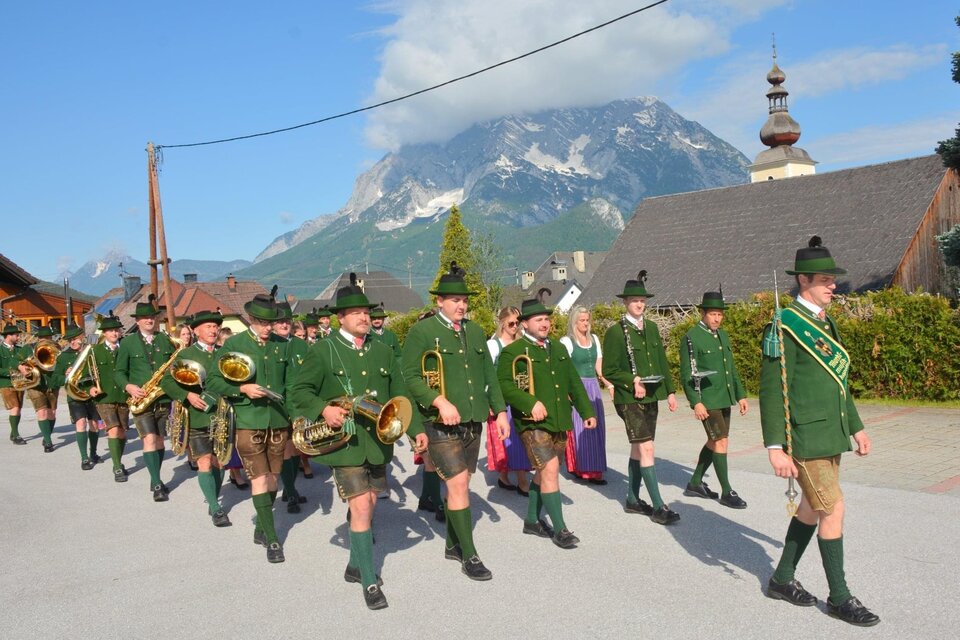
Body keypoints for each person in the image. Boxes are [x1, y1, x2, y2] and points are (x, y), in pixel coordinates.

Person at [760, 236, 879, 627]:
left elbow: (838, 382)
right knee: (832, 507)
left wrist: (856, 426)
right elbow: (772, 390)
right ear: (803, 281)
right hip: (805, 438)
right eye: (825, 280)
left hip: (832, 432)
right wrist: (775, 447)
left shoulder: (825, 322)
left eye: (833, 280)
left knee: (811, 508)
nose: (833, 286)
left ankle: (780, 579)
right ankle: (840, 597)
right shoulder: (785, 324)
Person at [291, 274, 428, 610]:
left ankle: (355, 563)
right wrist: (323, 409)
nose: (364, 317)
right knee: (362, 507)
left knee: (371, 499)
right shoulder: (323, 350)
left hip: (379, 442)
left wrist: (415, 429)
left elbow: (400, 394)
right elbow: (298, 392)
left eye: (366, 313)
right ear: (341, 318)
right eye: (356, 313)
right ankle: (369, 581)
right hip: (345, 445)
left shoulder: (382, 350)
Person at [402, 262, 510, 581]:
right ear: (439, 301)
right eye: (454, 300)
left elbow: (489, 374)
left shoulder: (475, 331)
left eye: (464, 300)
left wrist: (500, 411)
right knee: (459, 483)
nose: (461, 305)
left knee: (460, 484)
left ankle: (451, 543)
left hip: (473, 420)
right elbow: (408, 376)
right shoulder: (422, 331)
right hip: (438, 422)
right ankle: (470, 555)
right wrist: (438, 400)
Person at [497, 291, 595, 548]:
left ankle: (531, 520)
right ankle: (560, 529)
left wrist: (587, 412)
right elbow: (504, 386)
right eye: (538, 320)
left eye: (546, 319)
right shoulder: (513, 351)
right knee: (551, 470)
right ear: (525, 324)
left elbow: (573, 382)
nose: (544, 324)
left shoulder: (559, 347)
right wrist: (530, 402)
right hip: (531, 423)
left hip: (559, 419)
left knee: (545, 472)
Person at [206, 289, 292, 563]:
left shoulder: (283, 344)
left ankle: (261, 526)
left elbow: (293, 383)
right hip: (247, 420)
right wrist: (243, 388)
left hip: (278, 420)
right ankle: (273, 540)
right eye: (263, 323)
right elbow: (214, 383)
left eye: (271, 323)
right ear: (251, 319)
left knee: (273, 479)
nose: (268, 328)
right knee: (258, 478)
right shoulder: (235, 345)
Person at [602, 271, 680, 525]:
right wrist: (632, 380)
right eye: (634, 300)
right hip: (628, 398)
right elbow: (609, 370)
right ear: (625, 302)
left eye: (642, 300)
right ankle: (658, 506)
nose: (639, 304)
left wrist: (669, 390)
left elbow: (661, 362)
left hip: (651, 396)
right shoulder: (616, 332)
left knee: (639, 448)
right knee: (647, 447)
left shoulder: (652, 328)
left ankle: (632, 499)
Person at [160, 310, 232, 527]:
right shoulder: (185, 354)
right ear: (196, 330)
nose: (213, 330)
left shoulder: (225, 352)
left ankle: (213, 499)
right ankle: (216, 508)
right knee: (204, 461)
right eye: (208, 326)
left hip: (222, 415)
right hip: (198, 417)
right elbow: (167, 382)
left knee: (220, 461)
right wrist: (187, 395)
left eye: (215, 326)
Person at [679, 291, 749, 508]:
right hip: (708, 399)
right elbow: (687, 373)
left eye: (720, 314)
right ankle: (727, 491)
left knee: (714, 440)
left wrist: (741, 394)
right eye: (713, 314)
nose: (717, 318)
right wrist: (696, 401)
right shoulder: (691, 337)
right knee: (721, 441)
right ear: (703, 313)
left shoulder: (723, 336)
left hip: (724, 397)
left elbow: (731, 369)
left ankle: (695, 482)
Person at [115, 296, 177, 501]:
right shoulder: (128, 342)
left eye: (152, 317)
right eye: (145, 318)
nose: (150, 320)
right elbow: (119, 372)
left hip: (162, 398)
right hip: (140, 399)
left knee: (159, 440)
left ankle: (154, 475)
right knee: (149, 439)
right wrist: (129, 386)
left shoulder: (164, 339)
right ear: (137, 321)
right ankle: (158, 483)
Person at [559, 306, 612, 484]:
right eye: (582, 320)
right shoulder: (567, 341)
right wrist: (566, 390)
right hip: (577, 386)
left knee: (597, 428)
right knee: (579, 429)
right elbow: (563, 368)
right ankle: (580, 467)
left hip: (593, 387)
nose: (585, 323)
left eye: (587, 320)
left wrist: (609, 384)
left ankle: (594, 468)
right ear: (574, 322)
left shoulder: (594, 339)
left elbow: (599, 367)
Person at [484, 305, 531, 494]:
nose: (515, 327)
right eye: (511, 323)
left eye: (518, 323)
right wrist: (489, 401)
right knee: (504, 441)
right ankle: (505, 477)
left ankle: (522, 478)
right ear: (502, 323)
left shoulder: (522, 342)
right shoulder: (493, 345)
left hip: (519, 396)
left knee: (521, 439)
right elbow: (486, 375)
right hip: (500, 398)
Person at [272, 300, 310, 513]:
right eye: (280, 321)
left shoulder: (300, 345)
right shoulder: (271, 344)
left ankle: (289, 488)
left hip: (301, 404)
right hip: (280, 405)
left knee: (297, 448)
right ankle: (291, 491)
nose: (284, 324)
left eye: (287, 320)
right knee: (287, 448)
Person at [53, 324, 103, 469]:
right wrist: (65, 375)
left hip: (92, 393)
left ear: (82, 337)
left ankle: (93, 453)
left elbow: (99, 336)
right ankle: (84, 458)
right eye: (70, 340)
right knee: (81, 423)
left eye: (76, 339)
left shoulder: (90, 349)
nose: (73, 342)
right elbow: (54, 379)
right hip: (75, 395)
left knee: (94, 425)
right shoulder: (63, 356)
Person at [89, 312, 130, 482]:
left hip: (124, 396)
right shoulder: (94, 351)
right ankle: (117, 466)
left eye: (117, 331)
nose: (114, 333)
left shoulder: (126, 349)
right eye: (111, 331)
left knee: (121, 432)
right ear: (104, 333)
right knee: (113, 429)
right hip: (104, 397)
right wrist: (89, 388)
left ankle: (118, 460)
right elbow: (85, 374)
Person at [20, 325, 61, 453]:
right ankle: (48, 442)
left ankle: (46, 434)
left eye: (48, 337)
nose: (46, 340)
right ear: (39, 338)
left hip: (52, 383)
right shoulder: (28, 348)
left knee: (52, 413)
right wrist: (21, 367)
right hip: (35, 384)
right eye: (43, 337)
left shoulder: (57, 348)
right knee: (42, 412)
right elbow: (15, 361)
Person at [0, 323, 29, 445]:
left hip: (20, 383)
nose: (18, 338)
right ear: (8, 336)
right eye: (16, 335)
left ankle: (13, 432)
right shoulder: (0, 350)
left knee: (18, 409)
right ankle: (16, 435)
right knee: (15, 408)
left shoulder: (19, 350)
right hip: (6, 383)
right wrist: (12, 372)